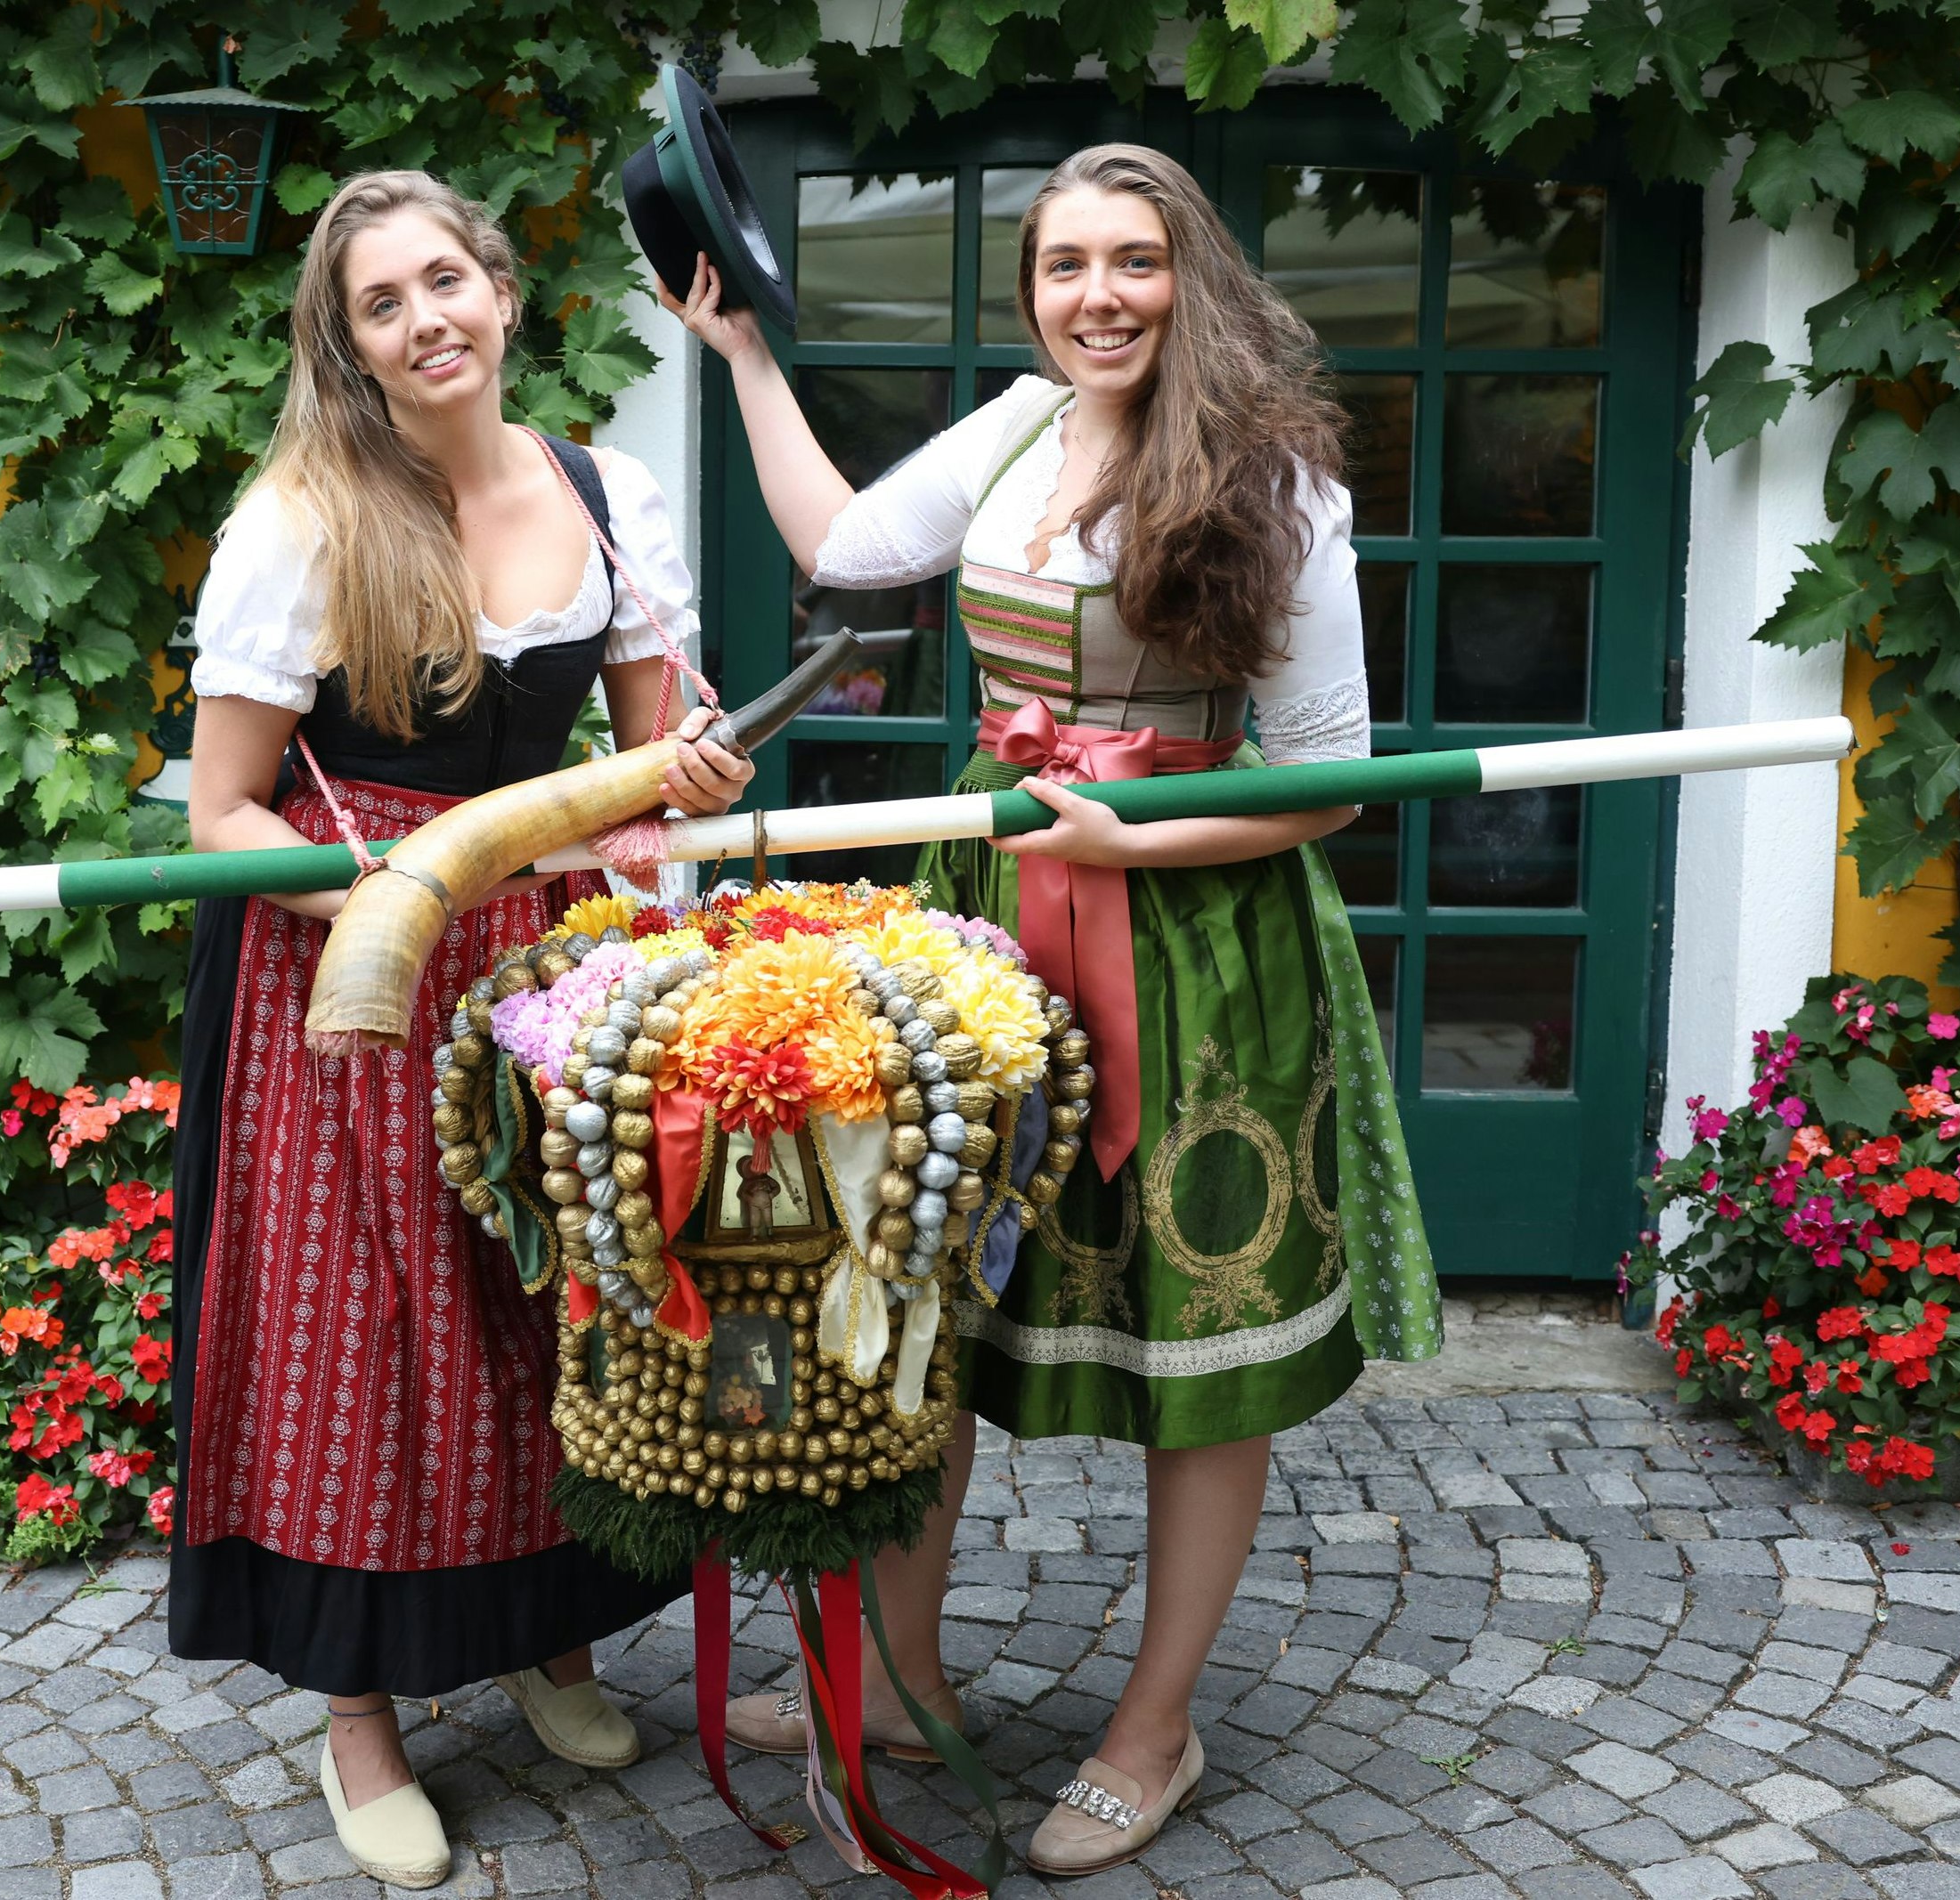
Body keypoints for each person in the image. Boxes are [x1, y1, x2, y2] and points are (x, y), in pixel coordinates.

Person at [669, 142, 1437, 1876]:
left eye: (1135, 260)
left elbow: (1327, 785)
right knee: (933, 1298)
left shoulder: (1276, 479)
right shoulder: (1012, 428)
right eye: (1067, 263)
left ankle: (1153, 1726)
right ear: (1031, 292)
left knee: (1196, 1340)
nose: (1100, 293)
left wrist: (1141, 833)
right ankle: (900, 1662)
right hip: (995, 918)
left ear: (1192, 277)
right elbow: (850, 547)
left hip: (1203, 944)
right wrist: (744, 365)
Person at [173, 171, 754, 1887]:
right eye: (381, 302)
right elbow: (221, 816)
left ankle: (549, 1638)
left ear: (502, 297)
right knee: (369, 1334)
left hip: (549, 964)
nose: (425, 318)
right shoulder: (303, 521)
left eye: (446, 280)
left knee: (537, 1315)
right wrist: (393, 898)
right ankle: (360, 1717)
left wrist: (696, 769)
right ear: (346, 346)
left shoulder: (608, 490)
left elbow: (659, 756)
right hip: (344, 973)